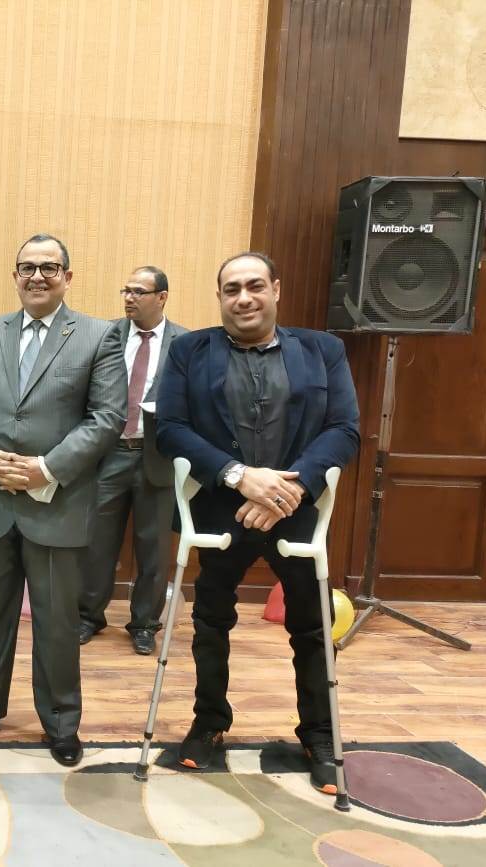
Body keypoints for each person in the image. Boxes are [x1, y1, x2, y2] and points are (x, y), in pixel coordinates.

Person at [155, 251, 360, 793]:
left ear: (276, 290)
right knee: (211, 621)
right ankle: (208, 722)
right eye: (231, 289)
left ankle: (319, 733)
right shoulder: (189, 351)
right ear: (220, 297)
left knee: (312, 625)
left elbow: (344, 429)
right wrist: (240, 476)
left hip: (296, 507)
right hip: (223, 507)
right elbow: (170, 429)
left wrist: (285, 491)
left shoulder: (323, 351)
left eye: (254, 286)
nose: (243, 298)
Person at [0, 234, 127, 767]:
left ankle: (61, 722)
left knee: (57, 623)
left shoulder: (98, 335)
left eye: (49, 267)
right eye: (26, 267)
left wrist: (46, 468)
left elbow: (107, 417)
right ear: (14, 276)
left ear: (68, 276)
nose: (37, 276)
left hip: (56, 502)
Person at [79, 266, 188, 655]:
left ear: (162, 297)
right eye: (126, 290)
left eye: (139, 292)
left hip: (156, 456)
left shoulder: (184, 343)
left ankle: (144, 624)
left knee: (154, 549)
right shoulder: (106, 335)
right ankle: (88, 616)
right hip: (108, 453)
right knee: (96, 543)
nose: (129, 298)